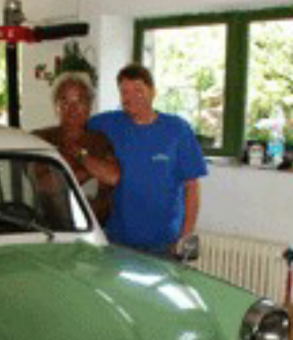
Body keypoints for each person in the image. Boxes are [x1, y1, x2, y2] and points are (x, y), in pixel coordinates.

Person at [88, 63, 207, 257]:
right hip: (118, 242)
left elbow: (192, 187)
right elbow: (75, 128)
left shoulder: (177, 129)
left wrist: (185, 237)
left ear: (153, 92)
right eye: (124, 92)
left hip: (165, 244)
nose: (131, 97)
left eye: (138, 90)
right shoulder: (109, 123)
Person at [33, 72, 120, 224]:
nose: (72, 109)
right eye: (65, 101)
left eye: (79, 102)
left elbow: (112, 176)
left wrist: (80, 155)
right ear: (56, 106)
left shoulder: (99, 140)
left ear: (89, 107)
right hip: (52, 228)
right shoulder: (42, 138)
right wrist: (92, 170)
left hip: (94, 228)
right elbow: (47, 185)